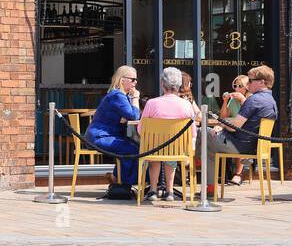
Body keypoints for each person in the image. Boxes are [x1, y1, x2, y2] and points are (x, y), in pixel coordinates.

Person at [199, 64, 277, 189]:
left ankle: (206, 187)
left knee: (202, 133)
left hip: (239, 145)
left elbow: (234, 126)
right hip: (252, 146)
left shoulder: (254, 100)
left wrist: (221, 124)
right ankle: (208, 189)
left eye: (250, 81)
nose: (248, 84)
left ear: (262, 82)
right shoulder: (271, 100)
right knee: (208, 145)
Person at [141, 67, 198, 201]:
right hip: (177, 149)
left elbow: (141, 129)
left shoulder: (151, 103)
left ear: (162, 84)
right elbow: (193, 132)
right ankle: (170, 191)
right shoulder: (186, 105)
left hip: (154, 149)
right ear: (178, 85)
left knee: (154, 152)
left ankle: (153, 190)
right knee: (170, 151)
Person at [87, 65, 141, 187]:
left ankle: (119, 179)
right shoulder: (117, 95)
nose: (135, 82)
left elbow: (131, 115)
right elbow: (134, 115)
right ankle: (122, 184)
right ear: (122, 80)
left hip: (110, 135)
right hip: (100, 137)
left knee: (136, 147)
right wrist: (136, 97)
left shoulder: (122, 96)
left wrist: (128, 115)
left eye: (136, 80)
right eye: (133, 79)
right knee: (131, 149)